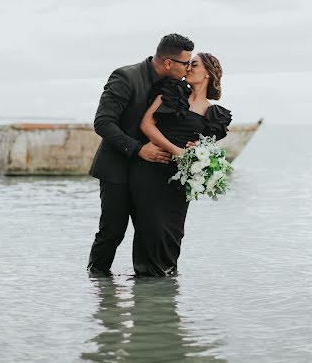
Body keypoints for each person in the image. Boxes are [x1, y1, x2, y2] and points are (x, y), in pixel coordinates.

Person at [87, 33, 195, 274]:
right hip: (117, 169)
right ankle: (97, 285)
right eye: (186, 63)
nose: (189, 68)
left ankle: (150, 295)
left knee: (151, 233)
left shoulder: (177, 86)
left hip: (150, 175)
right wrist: (138, 148)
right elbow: (103, 123)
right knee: (112, 232)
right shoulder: (126, 77)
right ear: (168, 63)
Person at [130, 52, 232, 276]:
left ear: (207, 73)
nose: (187, 68)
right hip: (151, 169)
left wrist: (198, 150)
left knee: (173, 231)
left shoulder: (215, 114)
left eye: (193, 65)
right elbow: (147, 125)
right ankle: (145, 283)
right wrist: (174, 150)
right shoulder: (172, 93)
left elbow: (206, 146)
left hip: (180, 179)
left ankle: (165, 289)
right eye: (187, 64)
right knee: (150, 228)